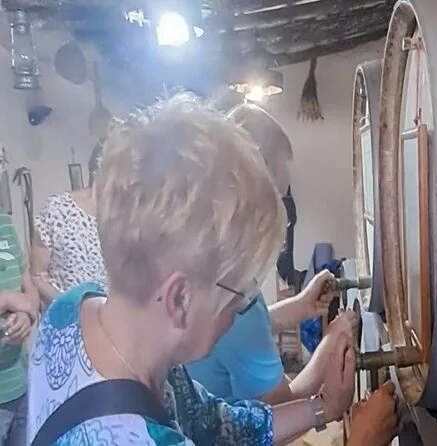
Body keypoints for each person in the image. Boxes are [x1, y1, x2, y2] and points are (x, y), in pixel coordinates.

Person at [27, 93, 396, 445]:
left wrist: (323, 406)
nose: (243, 309)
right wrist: (364, 440)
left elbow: (214, 423)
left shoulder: (71, 310)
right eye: (239, 296)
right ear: (180, 299)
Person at [187, 103, 356, 405]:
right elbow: (280, 410)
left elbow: (240, 331)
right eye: (277, 197)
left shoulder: (202, 254)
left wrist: (301, 306)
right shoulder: (234, 288)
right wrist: (332, 342)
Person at [31, 143, 107, 308]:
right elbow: (37, 275)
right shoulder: (58, 210)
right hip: (66, 318)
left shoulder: (126, 218)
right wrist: (72, 307)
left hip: (112, 319)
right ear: (98, 170)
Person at [0, 211, 39, 446]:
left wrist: (26, 315)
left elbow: (29, 289)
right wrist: (5, 299)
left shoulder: (4, 224)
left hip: (21, 386)